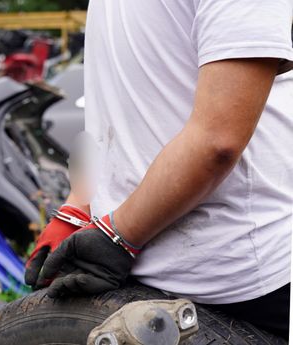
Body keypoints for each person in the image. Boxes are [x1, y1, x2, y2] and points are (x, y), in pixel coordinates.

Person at [25, 0, 293, 338]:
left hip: (147, 256)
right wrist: (83, 209)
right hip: (233, 269)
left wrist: (102, 223)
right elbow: (216, 139)